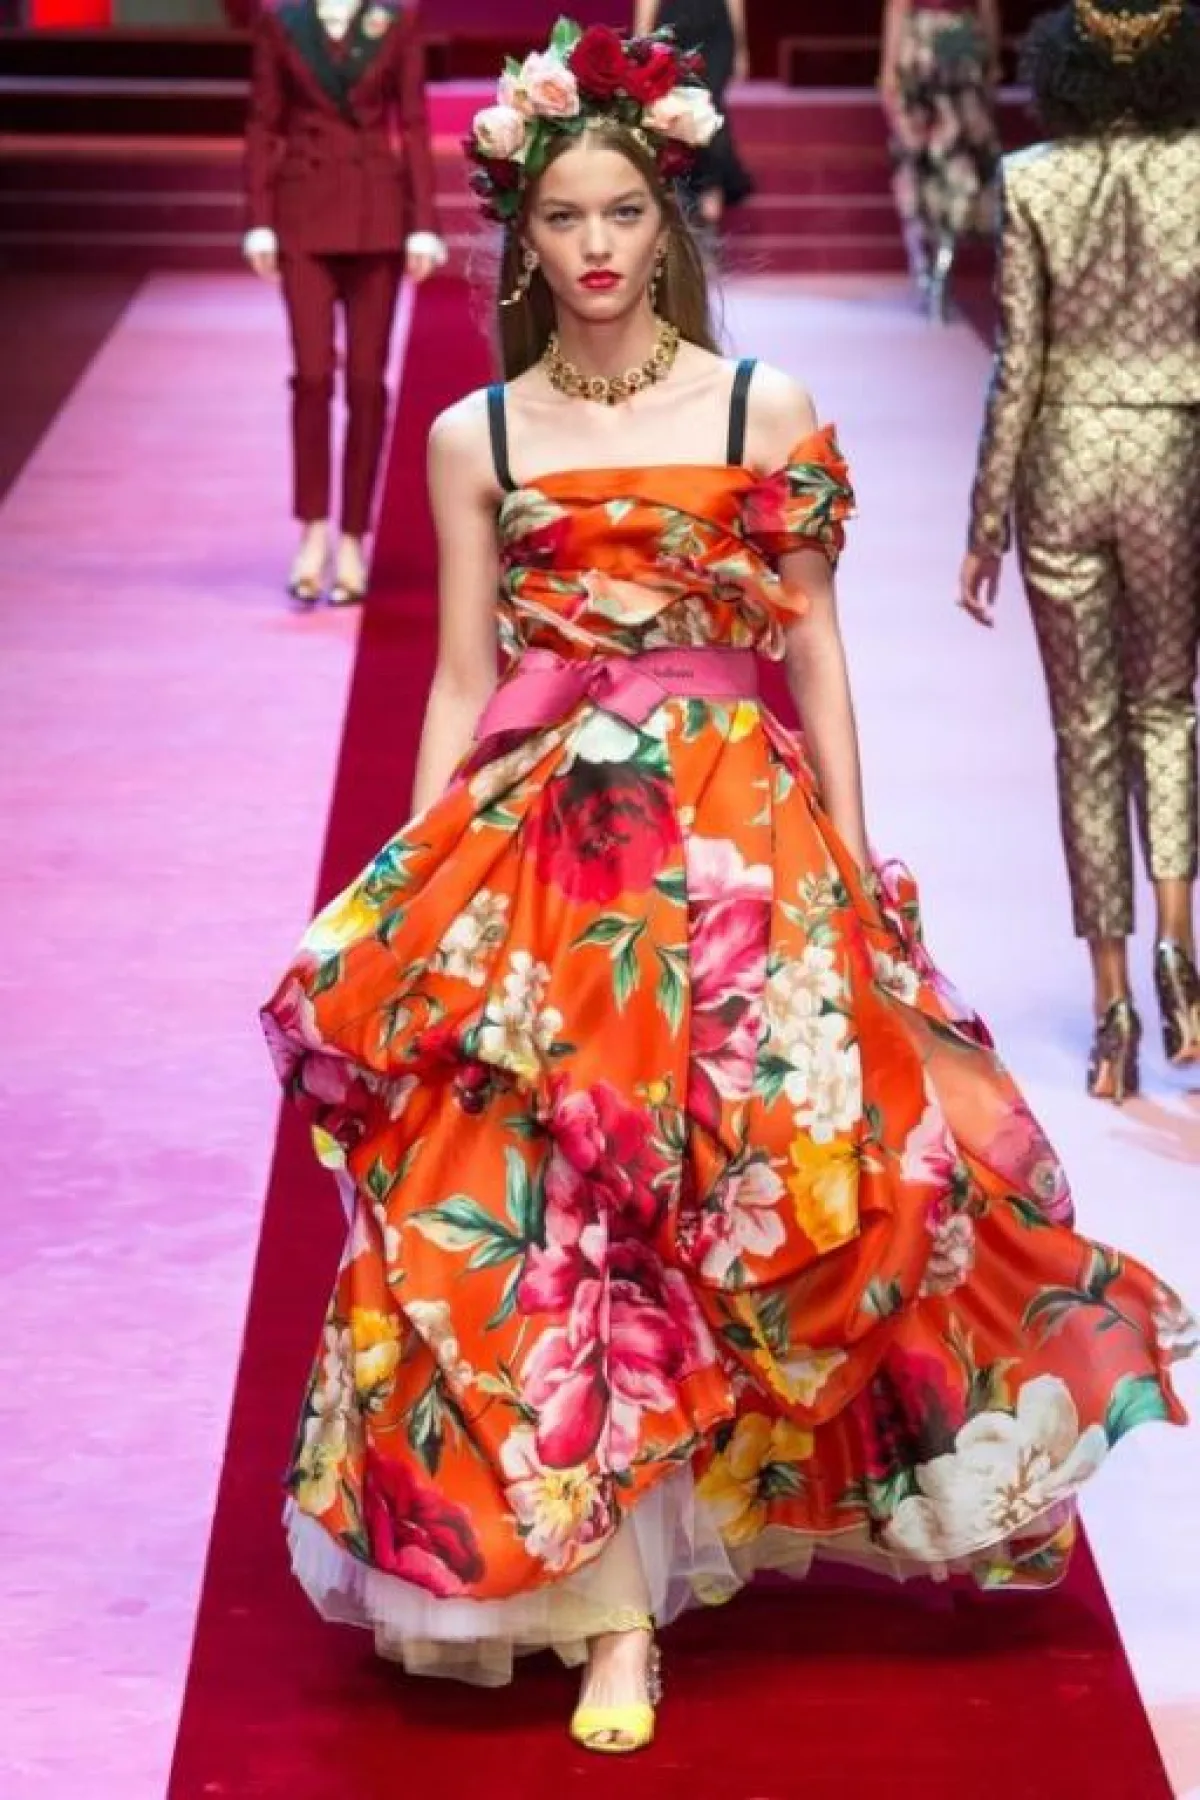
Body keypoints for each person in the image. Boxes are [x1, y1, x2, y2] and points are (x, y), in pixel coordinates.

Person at [262, 17, 1196, 1757]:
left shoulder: (765, 406)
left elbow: (814, 645)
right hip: (547, 850)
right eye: (563, 218)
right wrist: (413, 895)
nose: (596, 246)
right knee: (549, 1207)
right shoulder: (477, 435)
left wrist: (858, 860)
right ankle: (610, 1614)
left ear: (667, 216)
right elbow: (463, 678)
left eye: (623, 212)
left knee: (763, 1187)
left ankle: (701, 1533)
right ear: (521, 236)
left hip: (733, 841)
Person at [960, 0, 1200, 1101]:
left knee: (1085, 733)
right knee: (1168, 708)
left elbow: (1018, 362)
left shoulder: (1031, 179)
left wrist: (985, 525)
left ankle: (1110, 1007)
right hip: (1171, 450)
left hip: (1061, 455)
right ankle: (1177, 944)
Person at [243, 0, 446, 607]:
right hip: (302, 212)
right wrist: (259, 219)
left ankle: (354, 537)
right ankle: (312, 531)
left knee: (365, 384)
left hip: (375, 214)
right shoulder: (282, 21)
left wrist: (424, 223)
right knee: (312, 377)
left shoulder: (396, 18)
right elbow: (263, 121)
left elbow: (413, 121)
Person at [878, 0, 1002, 320]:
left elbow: (898, 6)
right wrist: (991, 60)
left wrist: (888, 68)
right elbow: (987, 8)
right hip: (962, 44)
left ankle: (926, 271)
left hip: (921, 46)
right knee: (958, 162)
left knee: (921, 160)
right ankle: (939, 272)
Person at [632, 0, 755, 226]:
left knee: (710, 102)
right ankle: (692, 184)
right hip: (675, 26)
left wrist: (740, 47)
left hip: (716, 28)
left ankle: (711, 185)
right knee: (683, 104)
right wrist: (642, 40)